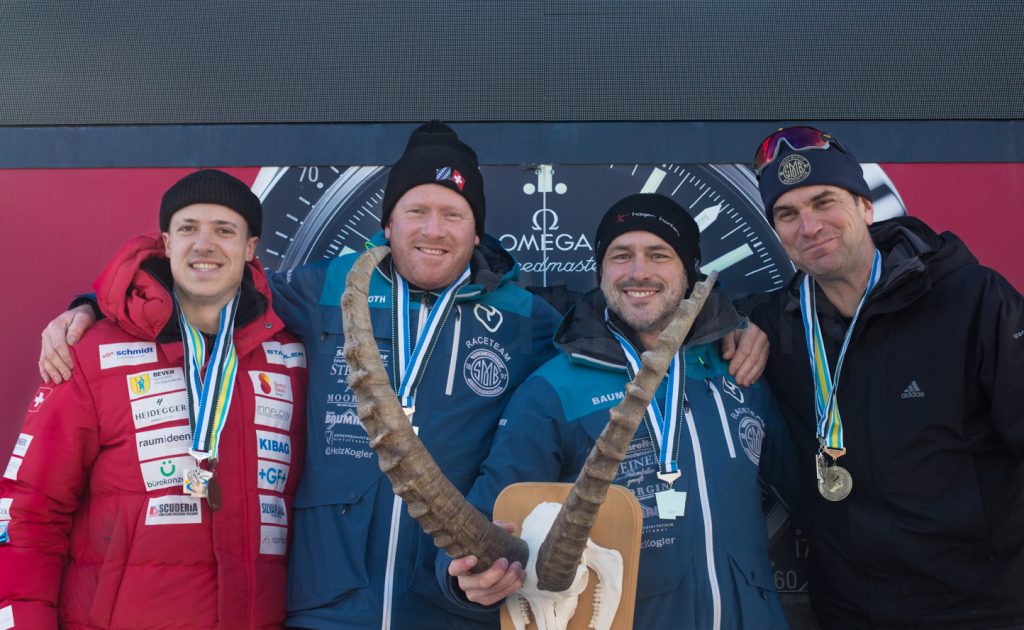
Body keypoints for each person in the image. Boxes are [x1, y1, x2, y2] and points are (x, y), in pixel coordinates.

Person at [35, 123, 770, 629]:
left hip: (448, 603)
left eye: (453, 213)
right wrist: (94, 306)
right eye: (416, 209)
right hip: (328, 603)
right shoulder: (323, 286)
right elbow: (213, 280)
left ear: (476, 228)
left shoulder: (526, 318)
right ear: (387, 222)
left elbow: (628, 318)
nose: (433, 228)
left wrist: (732, 326)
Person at [445, 193, 796, 630]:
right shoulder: (555, 388)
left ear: (688, 272)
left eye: (658, 255)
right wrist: (470, 580)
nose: (638, 272)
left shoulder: (738, 368)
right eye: (621, 256)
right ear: (601, 271)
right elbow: (489, 520)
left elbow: (809, 494)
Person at [0, 169, 307, 628]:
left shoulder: (292, 356)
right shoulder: (89, 351)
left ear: (250, 249)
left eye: (224, 230)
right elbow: (29, 512)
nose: (204, 244)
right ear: (165, 242)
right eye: (188, 229)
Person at [744, 126, 1024, 629]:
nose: (808, 226)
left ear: (866, 208)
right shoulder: (776, 325)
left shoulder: (974, 300)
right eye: (787, 214)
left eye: (823, 201)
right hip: (849, 611)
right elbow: (656, 308)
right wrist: (727, 326)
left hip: (976, 608)